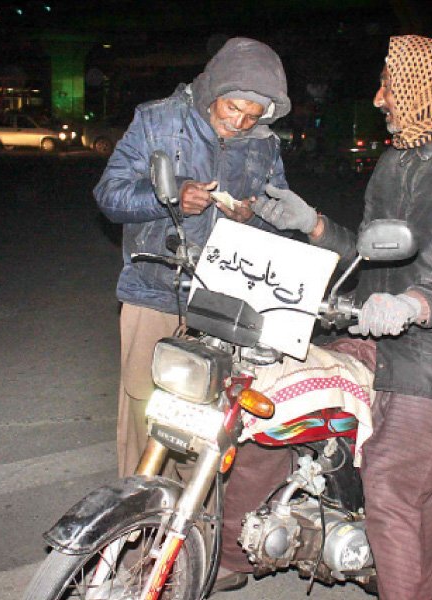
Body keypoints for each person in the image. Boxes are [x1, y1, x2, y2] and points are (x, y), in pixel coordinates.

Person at [216, 35, 432, 599]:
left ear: (420, 90)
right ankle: (236, 555)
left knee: (393, 488)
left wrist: (416, 305)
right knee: (260, 412)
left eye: (389, 86)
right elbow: (370, 256)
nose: (380, 99)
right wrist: (312, 225)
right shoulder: (393, 162)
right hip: (371, 336)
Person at [93, 37, 292, 478]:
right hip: (154, 291)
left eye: (251, 116)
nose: (238, 123)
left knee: (208, 422)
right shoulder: (157, 121)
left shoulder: (264, 144)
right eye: (231, 109)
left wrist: (254, 215)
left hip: (221, 302)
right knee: (146, 413)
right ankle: (136, 524)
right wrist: (169, 198)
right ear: (213, 92)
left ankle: (191, 531)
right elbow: (109, 195)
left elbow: (278, 216)